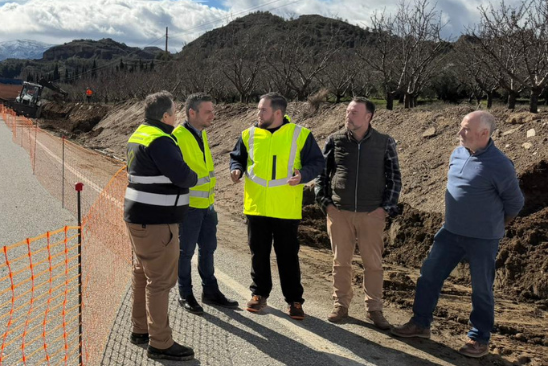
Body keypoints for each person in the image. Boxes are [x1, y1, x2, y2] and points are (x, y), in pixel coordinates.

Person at [391, 111, 523, 358]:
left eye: (465, 129)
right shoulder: (458, 152)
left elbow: (515, 203)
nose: (459, 133)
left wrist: (492, 225)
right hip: (450, 232)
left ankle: (479, 338)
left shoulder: (500, 164)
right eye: (461, 127)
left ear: (484, 133)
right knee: (429, 275)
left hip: (483, 239)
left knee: (481, 288)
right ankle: (420, 324)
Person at [230, 93, 324, 320]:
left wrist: (303, 175)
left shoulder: (300, 135)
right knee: (258, 254)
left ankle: (294, 300)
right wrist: (236, 169)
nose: (258, 114)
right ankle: (259, 294)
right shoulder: (248, 134)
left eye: (263, 110)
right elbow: (237, 157)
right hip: (256, 207)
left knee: (288, 256)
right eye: (259, 109)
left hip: (285, 208)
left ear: (278, 113)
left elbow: (317, 162)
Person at [315, 97, 402, 329]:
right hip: (339, 212)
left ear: (368, 117)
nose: (348, 116)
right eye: (347, 112)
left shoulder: (385, 143)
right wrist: (326, 204)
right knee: (340, 262)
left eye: (354, 113)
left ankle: (374, 309)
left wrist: (385, 209)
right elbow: (322, 174)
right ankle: (341, 305)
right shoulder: (335, 140)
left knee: (373, 264)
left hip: (371, 213)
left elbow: (395, 178)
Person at [124, 91, 198, 361]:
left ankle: (140, 330)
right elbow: (183, 176)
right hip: (156, 221)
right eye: (175, 111)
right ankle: (161, 343)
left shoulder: (138, 134)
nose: (176, 115)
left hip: (138, 217)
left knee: (143, 273)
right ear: (166, 116)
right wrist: (192, 174)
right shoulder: (161, 140)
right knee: (160, 281)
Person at [172, 94, 240, 315]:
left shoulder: (202, 134)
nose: (213, 115)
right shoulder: (178, 136)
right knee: (185, 252)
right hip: (189, 207)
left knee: (208, 249)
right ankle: (185, 293)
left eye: (213, 110)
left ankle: (210, 291)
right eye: (208, 111)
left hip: (207, 205)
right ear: (192, 113)